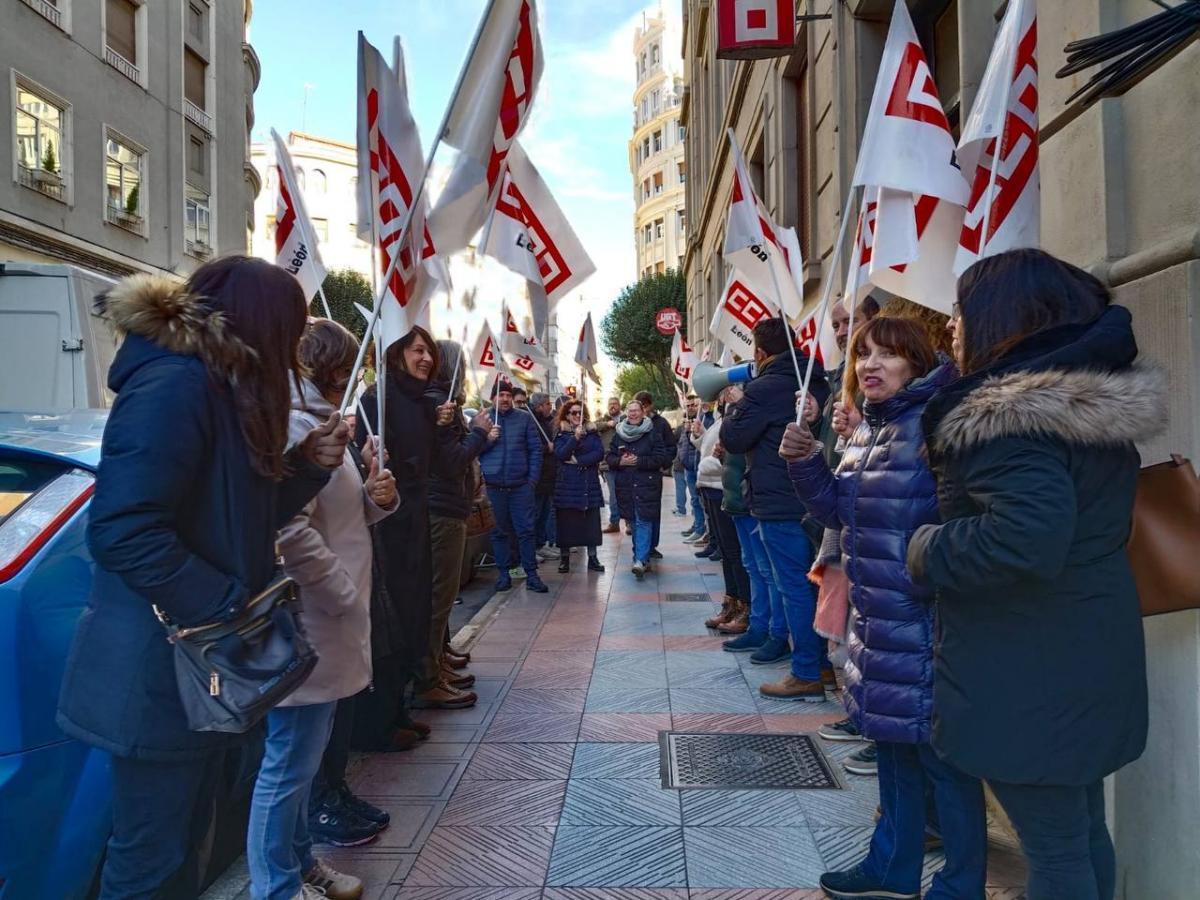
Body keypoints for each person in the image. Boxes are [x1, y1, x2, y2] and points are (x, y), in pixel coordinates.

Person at [56, 258, 350, 899]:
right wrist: (228, 607)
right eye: (290, 329)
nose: (293, 350)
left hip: (196, 667)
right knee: (150, 858)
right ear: (260, 323)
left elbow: (232, 518)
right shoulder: (176, 385)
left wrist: (306, 467)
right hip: (160, 669)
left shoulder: (216, 386)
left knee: (182, 845)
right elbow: (123, 529)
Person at [907, 249, 1163, 900]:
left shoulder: (1003, 419)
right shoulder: (1079, 403)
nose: (952, 327)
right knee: (1078, 834)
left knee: (1056, 852)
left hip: (1027, 665)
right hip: (1081, 649)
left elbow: (1025, 539)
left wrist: (926, 548)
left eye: (960, 312)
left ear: (1002, 317)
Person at [782, 317, 984, 900]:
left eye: (886, 354)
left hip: (926, 623)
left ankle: (961, 886)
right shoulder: (873, 425)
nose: (869, 365)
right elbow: (840, 512)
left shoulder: (937, 422)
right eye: (862, 354)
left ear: (916, 362)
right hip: (876, 620)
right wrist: (806, 461)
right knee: (896, 757)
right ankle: (890, 869)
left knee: (945, 767)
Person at [248, 319, 400, 900]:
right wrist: (341, 594)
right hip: (310, 620)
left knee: (302, 760)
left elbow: (340, 516)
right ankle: (277, 887)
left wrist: (376, 499)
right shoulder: (295, 424)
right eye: (350, 367)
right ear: (333, 367)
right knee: (288, 762)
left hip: (330, 618)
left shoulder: (320, 420)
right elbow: (288, 529)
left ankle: (299, 863)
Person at [720, 318, 831, 702]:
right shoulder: (817, 381)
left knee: (793, 588)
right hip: (816, 497)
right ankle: (822, 664)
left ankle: (806, 672)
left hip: (778, 501)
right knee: (815, 585)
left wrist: (735, 406)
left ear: (760, 352)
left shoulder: (763, 388)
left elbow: (734, 439)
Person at [354, 325, 453, 752]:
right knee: (390, 619)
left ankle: (397, 711)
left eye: (429, 351)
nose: (426, 358)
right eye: (417, 350)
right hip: (387, 524)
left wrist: (442, 425)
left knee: (413, 611)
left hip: (415, 517)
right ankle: (377, 722)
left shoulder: (422, 401)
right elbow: (366, 461)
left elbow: (441, 463)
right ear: (396, 354)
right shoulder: (376, 400)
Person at [417, 340, 492, 710]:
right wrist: (478, 433)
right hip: (442, 509)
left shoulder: (441, 401)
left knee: (443, 595)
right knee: (440, 594)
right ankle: (429, 677)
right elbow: (450, 461)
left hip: (447, 506)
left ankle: (438, 661)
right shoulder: (439, 403)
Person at [480, 379, 549, 593]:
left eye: (508, 395)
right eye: (500, 395)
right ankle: (504, 574)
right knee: (498, 532)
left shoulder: (524, 418)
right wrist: (487, 439)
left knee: (526, 531)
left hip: (520, 487)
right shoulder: (482, 419)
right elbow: (472, 450)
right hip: (493, 487)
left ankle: (532, 575)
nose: (505, 399)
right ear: (492, 398)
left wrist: (531, 480)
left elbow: (535, 450)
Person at [692, 392, 752, 631]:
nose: (724, 393)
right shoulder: (723, 416)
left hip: (723, 487)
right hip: (712, 486)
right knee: (727, 552)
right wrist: (700, 436)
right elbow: (709, 448)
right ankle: (731, 603)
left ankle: (745, 607)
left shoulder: (741, 412)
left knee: (736, 553)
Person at [608, 399, 670, 577]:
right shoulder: (619, 434)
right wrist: (620, 461)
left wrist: (639, 461)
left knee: (644, 520)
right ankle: (641, 557)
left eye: (636, 410)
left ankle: (640, 560)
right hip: (626, 485)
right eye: (630, 411)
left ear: (643, 412)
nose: (633, 414)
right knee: (634, 522)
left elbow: (661, 458)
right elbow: (609, 457)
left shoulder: (652, 433)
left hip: (647, 484)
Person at [552, 400, 606, 574]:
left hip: (588, 484)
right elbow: (561, 454)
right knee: (566, 523)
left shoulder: (592, 433)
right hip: (567, 485)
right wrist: (574, 438)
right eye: (573, 413)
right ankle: (565, 558)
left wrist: (579, 461)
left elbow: (599, 453)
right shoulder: (561, 434)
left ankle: (593, 558)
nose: (577, 416)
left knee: (591, 523)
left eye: (579, 413)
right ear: (567, 415)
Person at [634, 390, 676, 558]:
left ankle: (652, 546)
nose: (643, 410)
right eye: (640, 406)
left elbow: (671, 447)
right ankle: (639, 548)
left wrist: (663, 464)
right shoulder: (630, 423)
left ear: (650, 405)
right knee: (636, 513)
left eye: (645, 406)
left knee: (653, 511)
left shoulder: (661, 423)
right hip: (635, 474)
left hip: (653, 474)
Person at [529, 392, 559, 560]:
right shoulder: (531, 422)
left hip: (548, 476)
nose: (550, 407)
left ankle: (541, 544)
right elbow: (530, 448)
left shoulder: (547, 422)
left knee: (545, 513)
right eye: (548, 404)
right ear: (539, 406)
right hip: (538, 477)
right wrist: (547, 448)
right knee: (536, 513)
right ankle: (532, 547)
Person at [677, 394, 707, 543]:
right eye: (688, 405)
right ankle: (697, 525)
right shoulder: (685, 422)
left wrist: (692, 432)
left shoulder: (702, 420)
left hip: (698, 466)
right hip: (688, 466)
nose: (690, 408)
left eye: (693, 405)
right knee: (694, 500)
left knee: (699, 500)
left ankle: (701, 529)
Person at [596, 396, 624, 533]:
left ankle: (629, 522)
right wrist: (607, 424)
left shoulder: (625, 419)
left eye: (615, 403)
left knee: (627, 493)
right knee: (613, 494)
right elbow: (592, 427)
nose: (613, 406)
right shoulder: (603, 420)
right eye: (610, 404)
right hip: (608, 463)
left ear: (619, 405)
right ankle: (614, 522)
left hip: (625, 462)